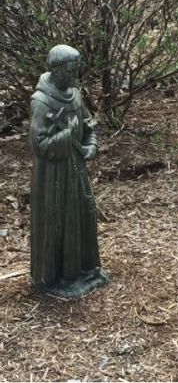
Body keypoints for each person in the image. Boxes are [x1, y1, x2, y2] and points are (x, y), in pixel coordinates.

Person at [29, 44, 107, 298]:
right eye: (69, 71)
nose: (74, 76)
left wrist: (90, 145)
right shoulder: (41, 102)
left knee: (82, 216)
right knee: (61, 221)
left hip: (76, 170)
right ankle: (61, 276)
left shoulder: (74, 95)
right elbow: (39, 145)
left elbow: (88, 125)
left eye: (75, 71)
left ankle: (85, 269)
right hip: (53, 177)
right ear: (55, 70)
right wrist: (67, 135)